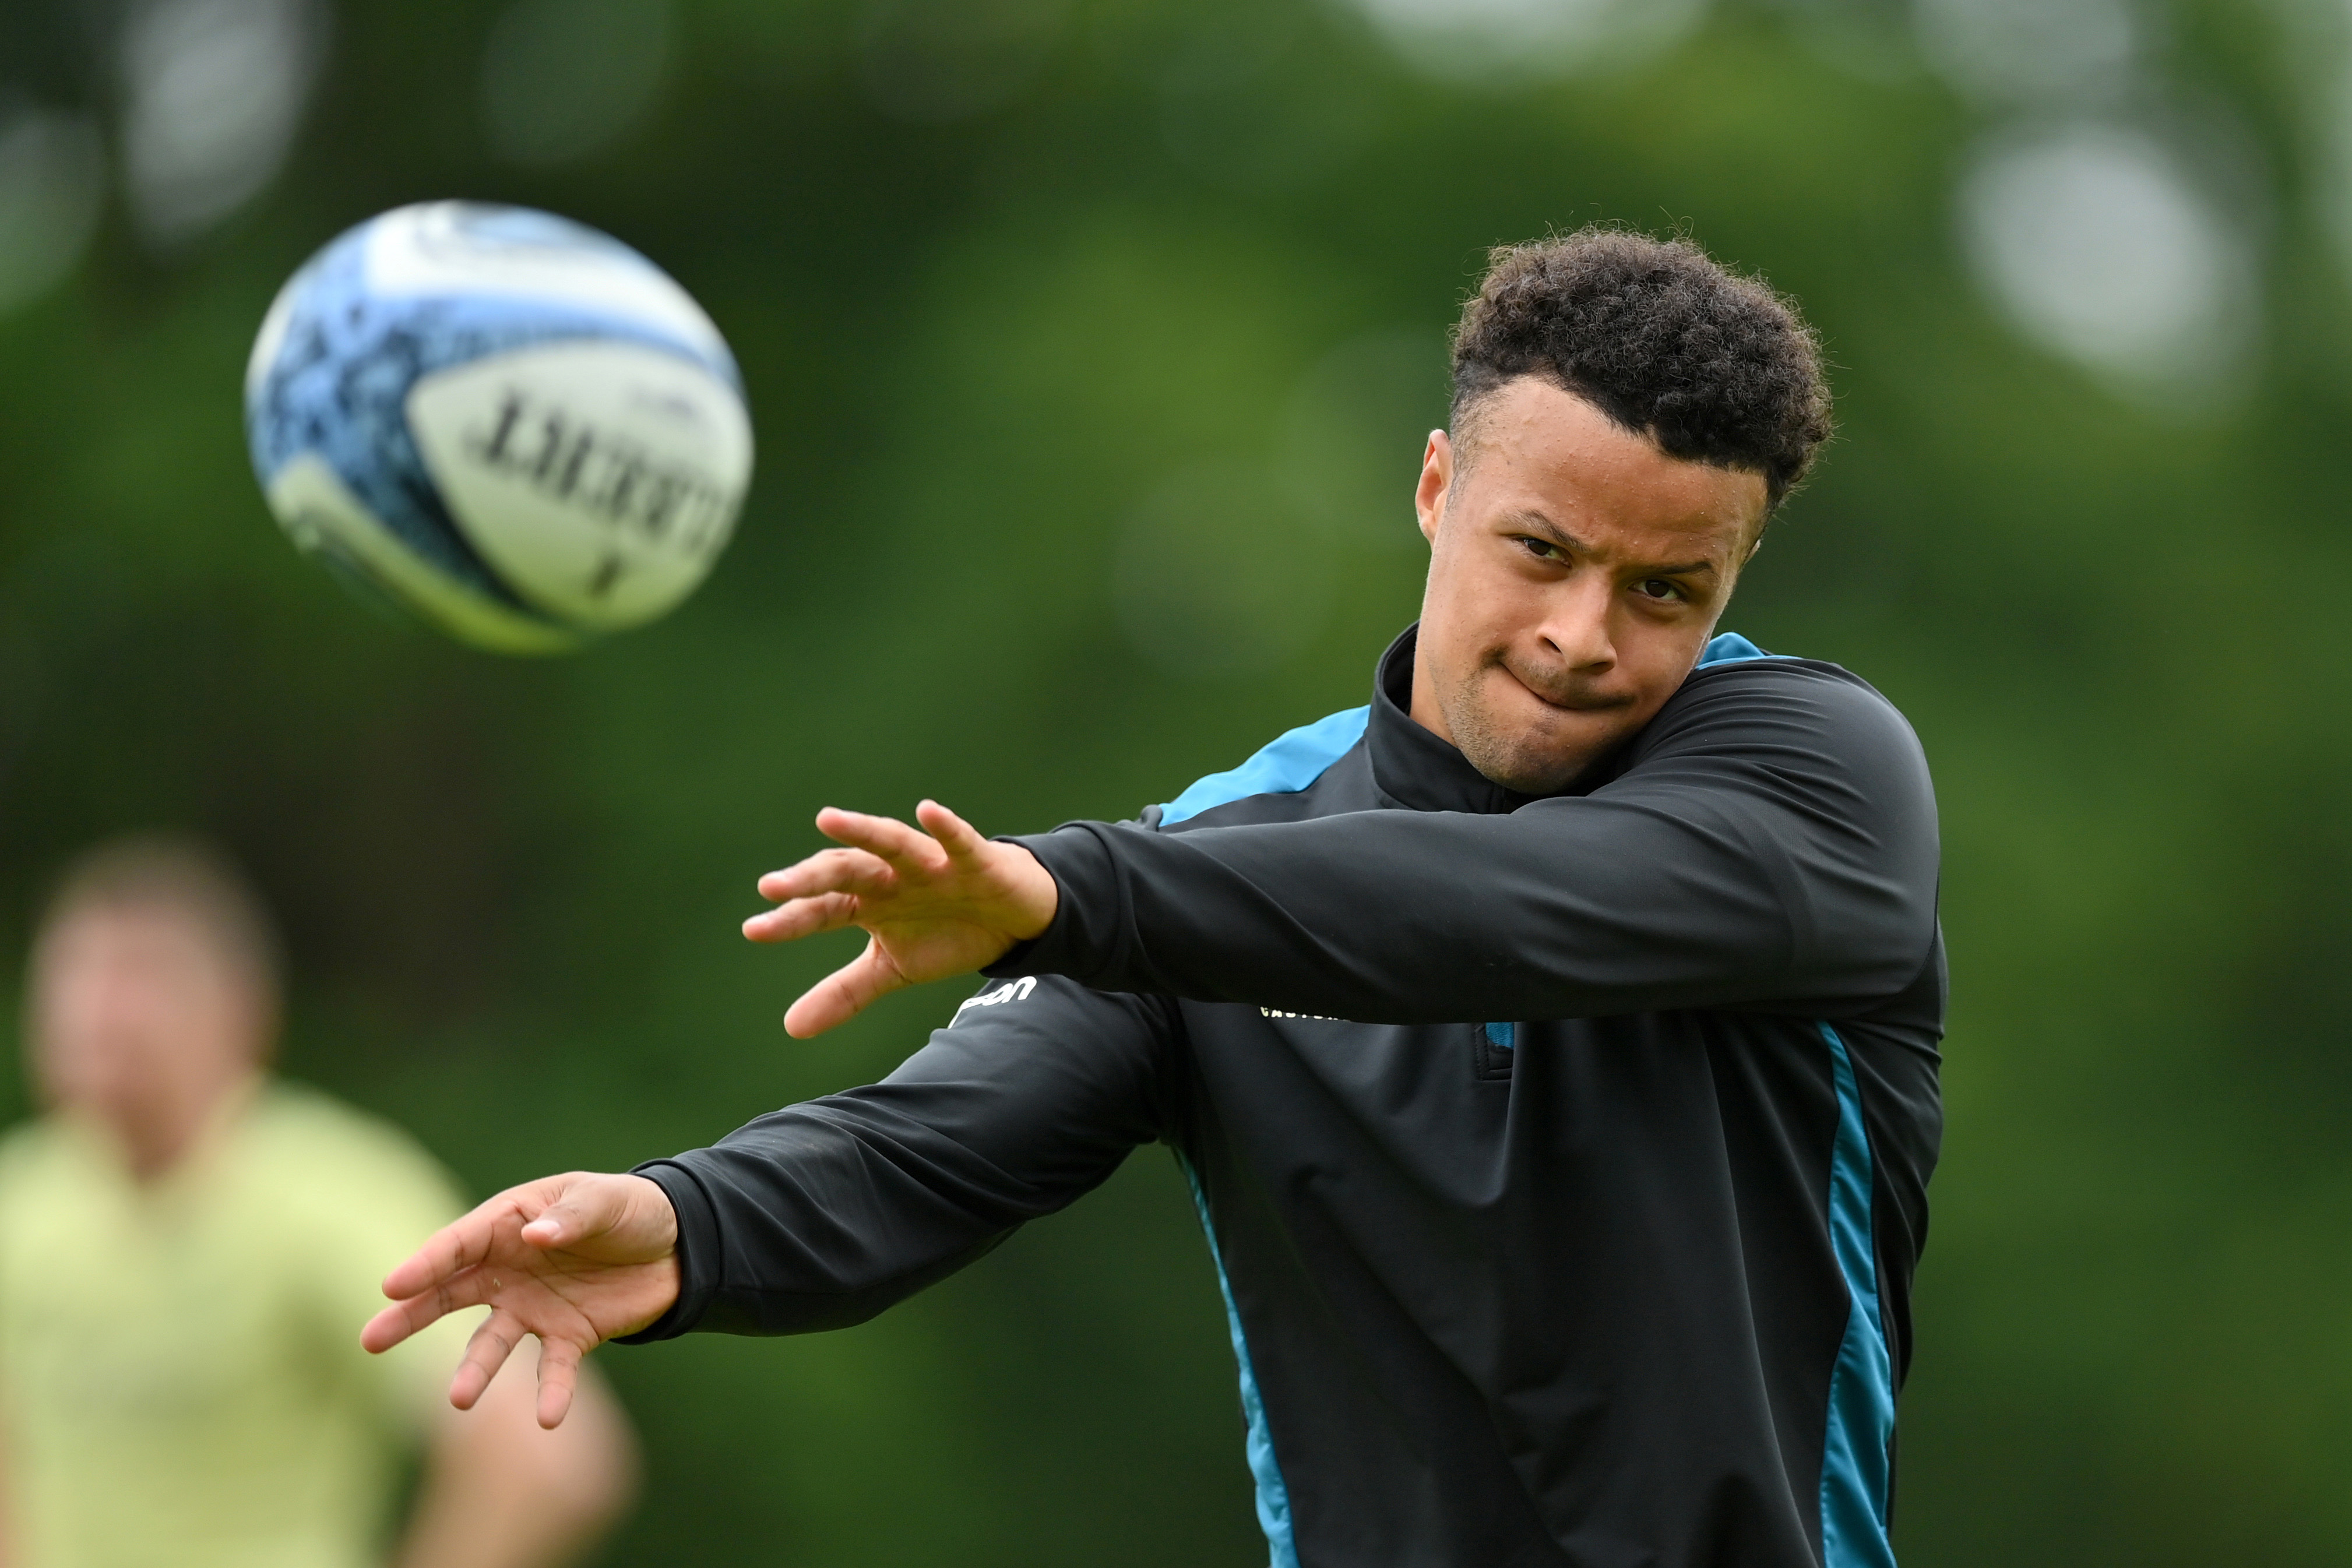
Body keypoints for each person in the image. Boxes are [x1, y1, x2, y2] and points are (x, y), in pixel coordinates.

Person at [367, 228, 1944, 1568]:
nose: (1583, 634)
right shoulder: (1209, 864)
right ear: (1434, 488)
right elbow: (933, 1142)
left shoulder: (1817, 786)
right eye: (1538, 549)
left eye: (1663, 589)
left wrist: (1072, 888)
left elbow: (1500, 907)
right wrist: (690, 1218)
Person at [0, 837, 638, 1568]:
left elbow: (550, 1462)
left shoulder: (326, 1197)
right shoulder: (23, 1203)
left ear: (241, 1012)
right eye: (75, 979)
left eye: (138, 976)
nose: (100, 1013)